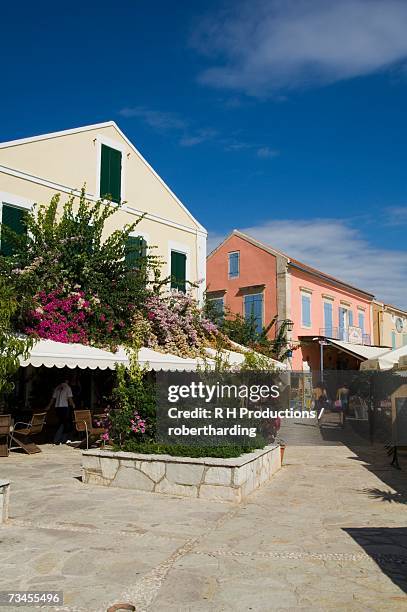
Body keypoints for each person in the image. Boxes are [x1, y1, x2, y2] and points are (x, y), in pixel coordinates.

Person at [47, 377, 75, 444]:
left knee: (61, 422)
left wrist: (48, 406)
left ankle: (58, 439)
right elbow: (69, 398)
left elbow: (53, 399)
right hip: (64, 407)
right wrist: (73, 405)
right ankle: (61, 439)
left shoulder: (57, 388)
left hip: (57, 407)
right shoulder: (68, 387)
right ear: (67, 380)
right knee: (65, 423)